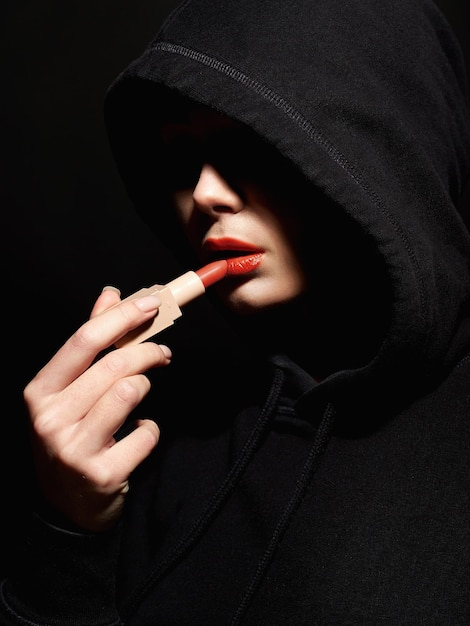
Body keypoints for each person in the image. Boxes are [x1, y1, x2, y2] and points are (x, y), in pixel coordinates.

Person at [1, 0, 469, 623]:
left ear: (381, 154)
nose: (204, 192)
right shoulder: (153, 439)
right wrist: (70, 527)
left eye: (252, 141)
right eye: (185, 152)